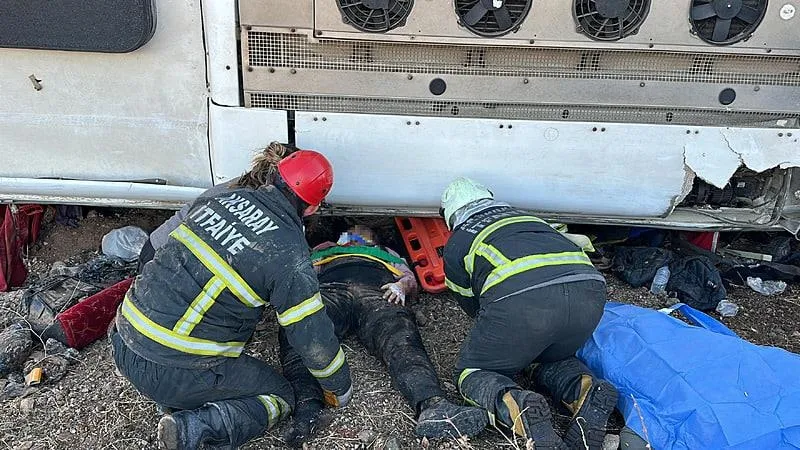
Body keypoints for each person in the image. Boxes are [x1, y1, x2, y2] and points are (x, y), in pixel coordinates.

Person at [110, 143, 353, 449]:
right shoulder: (289, 253)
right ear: (314, 207)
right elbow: (311, 336)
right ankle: (193, 428)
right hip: (168, 367)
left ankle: (177, 396)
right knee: (278, 396)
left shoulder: (225, 198)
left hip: (123, 337)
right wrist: (339, 387)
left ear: (274, 174)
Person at [439, 177, 618, 450]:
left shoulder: (459, 241)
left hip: (524, 302)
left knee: (470, 372)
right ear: (490, 198)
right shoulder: (529, 219)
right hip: (590, 294)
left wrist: (501, 338)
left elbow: (470, 303)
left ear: (449, 215)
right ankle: (585, 390)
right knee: (548, 355)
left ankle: (519, 407)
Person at [279, 224, 489, 447]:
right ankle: (307, 410)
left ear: (374, 239)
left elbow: (409, 278)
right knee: (298, 329)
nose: (355, 235)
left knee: (400, 337)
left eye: (363, 232)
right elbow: (302, 272)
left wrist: (401, 286)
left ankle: (433, 405)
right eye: (350, 232)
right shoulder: (326, 249)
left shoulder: (388, 253)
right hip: (331, 291)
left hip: (378, 292)